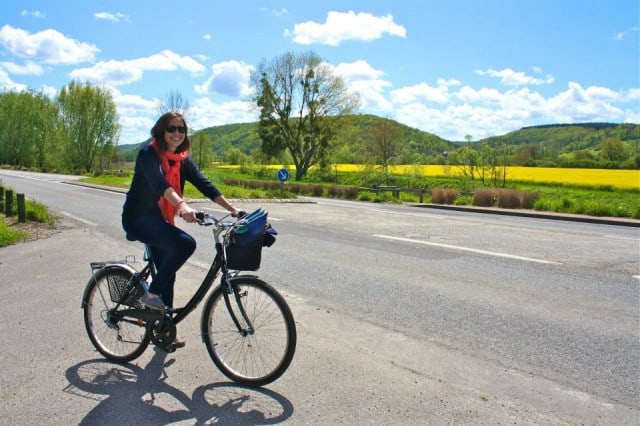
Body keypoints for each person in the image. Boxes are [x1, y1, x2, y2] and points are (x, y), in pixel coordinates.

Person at [122, 112, 241, 345]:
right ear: (161, 131)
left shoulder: (182, 159)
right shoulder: (149, 153)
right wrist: (182, 205)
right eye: (171, 128)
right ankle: (151, 295)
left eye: (181, 129)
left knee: (169, 273)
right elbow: (159, 183)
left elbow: (204, 183)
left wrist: (233, 208)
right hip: (138, 219)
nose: (177, 133)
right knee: (186, 243)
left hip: (160, 221)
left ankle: (164, 330)